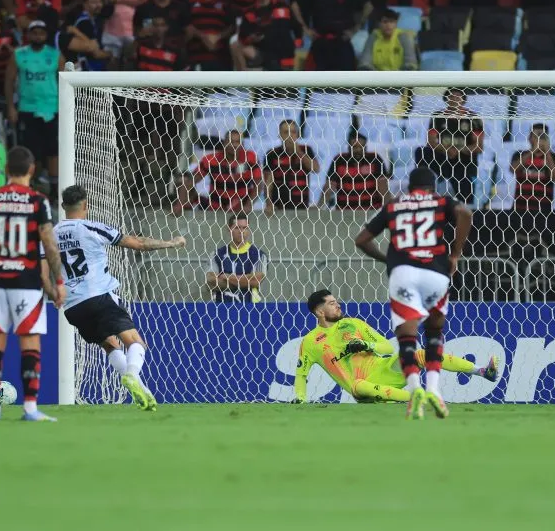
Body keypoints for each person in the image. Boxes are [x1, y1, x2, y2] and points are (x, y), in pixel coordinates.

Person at [354, 167, 474, 419]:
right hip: (436, 272)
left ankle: (415, 389)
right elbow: (465, 212)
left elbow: (362, 239)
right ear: (432, 187)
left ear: (410, 187)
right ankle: (433, 389)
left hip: (404, 273)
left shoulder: (395, 205)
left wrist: (388, 259)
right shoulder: (440, 201)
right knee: (433, 332)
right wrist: (455, 253)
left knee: (407, 337)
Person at [55, 184, 186, 411]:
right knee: (136, 342)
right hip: (97, 296)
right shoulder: (92, 228)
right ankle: (133, 375)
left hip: (72, 306)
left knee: (110, 344)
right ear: (86, 205)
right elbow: (139, 244)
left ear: (62, 206)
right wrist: (171, 243)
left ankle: (142, 392)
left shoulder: (51, 234)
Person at [0, 145, 64, 422]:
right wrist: (58, 281)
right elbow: (49, 244)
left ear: (6, 170)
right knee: (29, 343)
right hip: (27, 281)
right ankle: (30, 408)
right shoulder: (38, 201)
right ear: (32, 169)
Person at [293, 289, 499, 403]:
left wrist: (367, 345)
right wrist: (300, 399)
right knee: (359, 386)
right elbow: (301, 374)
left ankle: (482, 371)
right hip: (361, 385)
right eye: (331, 303)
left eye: (336, 301)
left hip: (385, 369)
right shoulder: (310, 342)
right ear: (319, 312)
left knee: (420, 354)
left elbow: (387, 347)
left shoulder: (353, 323)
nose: (337, 305)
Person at [5, 21, 65, 196]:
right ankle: (31, 186)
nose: (37, 36)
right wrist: (11, 107)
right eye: (34, 33)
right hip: (27, 108)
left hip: (51, 109)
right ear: (28, 35)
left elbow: (65, 82)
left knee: (53, 150)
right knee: (31, 152)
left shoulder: (55, 55)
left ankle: (54, 190)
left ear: (46, 36)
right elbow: (9, 81)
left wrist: (64, 107)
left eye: (41, 33)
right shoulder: (19, 54)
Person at [292, 0, 369, 71]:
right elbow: (295, 5)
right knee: (319, 81)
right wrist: (305, 28)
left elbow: (368, 5)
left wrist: (356, 28)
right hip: (320, 41)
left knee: (345, 82)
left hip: (342, 40)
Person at [415, 87, 484, 205]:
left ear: (463, 99)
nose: (455, 99)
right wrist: (447, 149)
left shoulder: (473, 118)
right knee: (421, 151)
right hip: (443, 156)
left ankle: (465, 203)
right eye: (451, 96)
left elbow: (478, 147)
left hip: (463, 158)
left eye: (458, 96)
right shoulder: (438, 116)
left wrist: (459, 150)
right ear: (446, 99)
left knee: (464, 191)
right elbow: (431, 142)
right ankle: (427, 186)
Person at [234, 0, 298, 71]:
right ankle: (243, 79)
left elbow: (297, 27)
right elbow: (242, 37)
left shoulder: (283, 7)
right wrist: (251, 38)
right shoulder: (248, 13)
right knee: (235, 45)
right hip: (262, 54)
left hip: (284, 55)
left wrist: (297, 41)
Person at [193, 129, 261, 212]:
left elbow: (259, 184)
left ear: (242, 144)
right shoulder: (210, 160)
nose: (234, 145)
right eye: (231, 142)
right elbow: (191, 180)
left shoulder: (250, 157)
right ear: (224, 143)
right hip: (216, 207)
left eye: (237, 142)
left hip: (241, 207)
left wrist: (248, 205)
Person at [207, 213, 268, 303]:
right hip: (221, 308)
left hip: (250, 308)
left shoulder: (259, 255)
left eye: (245, 228)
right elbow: (211, 281)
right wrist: (244, 282)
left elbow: (255, 281)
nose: (241, 231)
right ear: (229, 229)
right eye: (237, 228)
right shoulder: (217, 254)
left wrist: (226, 277)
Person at [323, 130, 389, 209]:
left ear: (366, 148)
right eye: (354, 147)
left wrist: (387, 207)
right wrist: (320, 205)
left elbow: (383, 185)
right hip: (344, 211)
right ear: (348, 148)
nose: (358, 150)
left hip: (371, 209)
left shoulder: (375, 159)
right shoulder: (339, 160)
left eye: (361, 147)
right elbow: (329, 185)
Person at [264, 119, 319, 212]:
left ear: (297, 135)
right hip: (278, 208)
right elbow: (268, 182)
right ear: (280, 135)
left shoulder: (306, 150)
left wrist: (298, 151)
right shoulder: (272, 154)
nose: (290, 135)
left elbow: (315, 169)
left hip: (302, 208)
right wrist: (268, 203)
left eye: (293, 132)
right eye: (286, 132)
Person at [186, 0, 236, 71]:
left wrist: (218, 37)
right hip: (195, 55)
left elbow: (232, 27)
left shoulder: (226, 4)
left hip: (220, 56)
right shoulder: (189, 3)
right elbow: (185, 25)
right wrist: (203, 37)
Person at [510, 123, 555, 211]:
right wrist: (533, 150)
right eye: (535, 136)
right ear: (529, 138)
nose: (539, 139)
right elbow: (513, 169)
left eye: (542, 136)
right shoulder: (520, 154)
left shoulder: (554, 157)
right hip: (519, 210)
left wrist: (547, 152)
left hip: (544, 211)